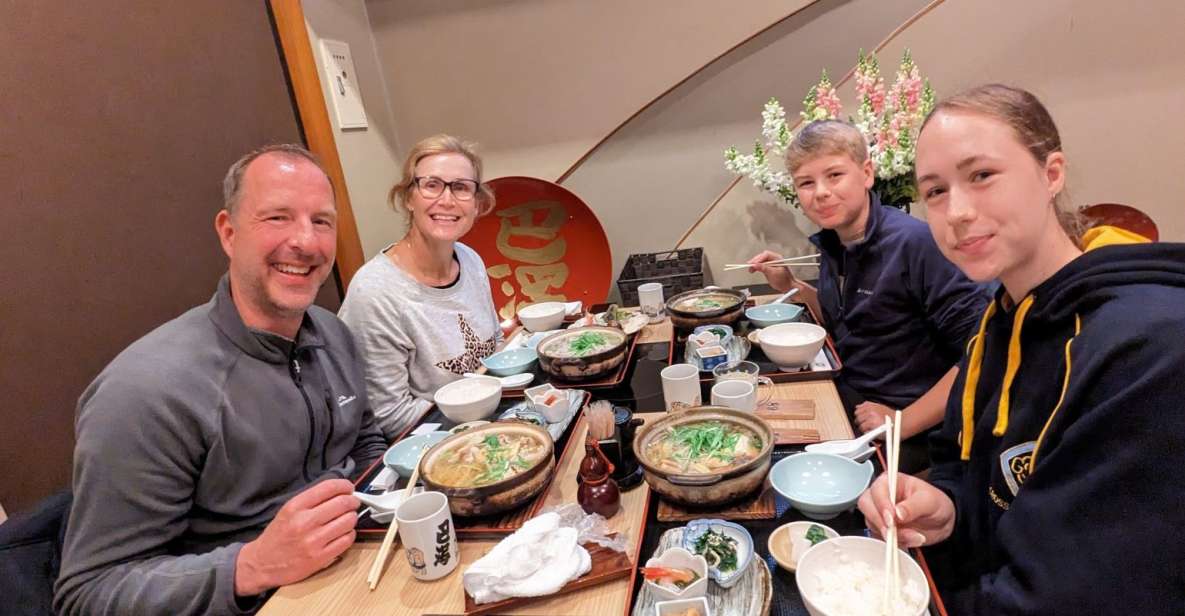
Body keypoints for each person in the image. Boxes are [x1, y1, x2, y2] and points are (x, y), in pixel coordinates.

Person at [859, 84, 1185, 613]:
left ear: (1052, 173)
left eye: (982, 175)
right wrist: (948, 508)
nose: (956, 212)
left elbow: (1082, 591)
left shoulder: (1150, 347)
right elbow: (973, 473)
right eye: (935, 191)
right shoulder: (1000, 322)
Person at [54, 145, 389, 615]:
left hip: (360, 566)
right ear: (229, 233)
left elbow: (365, 439)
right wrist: (251, 566)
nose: (306, 241)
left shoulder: (332, 332)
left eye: (322, 221)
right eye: (277, 217)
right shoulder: (146, 392)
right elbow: (88, 593)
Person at [748, 120, 989, 471]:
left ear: (866, 173)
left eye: (834, 175)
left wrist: (901, 422)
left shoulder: (915, 243)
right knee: (758, 432)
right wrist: (791, 285)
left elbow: (982, 353)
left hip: (915, 424)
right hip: (850, 391)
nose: (821, 192)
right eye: (806, 183)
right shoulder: (835, 242)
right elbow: (847, 319)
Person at [338, 134, 501, 439]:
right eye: (432, 185)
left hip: (494, 417)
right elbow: (390, 415)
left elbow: (495, 346)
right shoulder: (374, 293)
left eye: (461, 187)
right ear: (408, 198)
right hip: (435, 443)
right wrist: (481, 433)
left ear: (477, 203)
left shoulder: (470, 260)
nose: (447, 200)